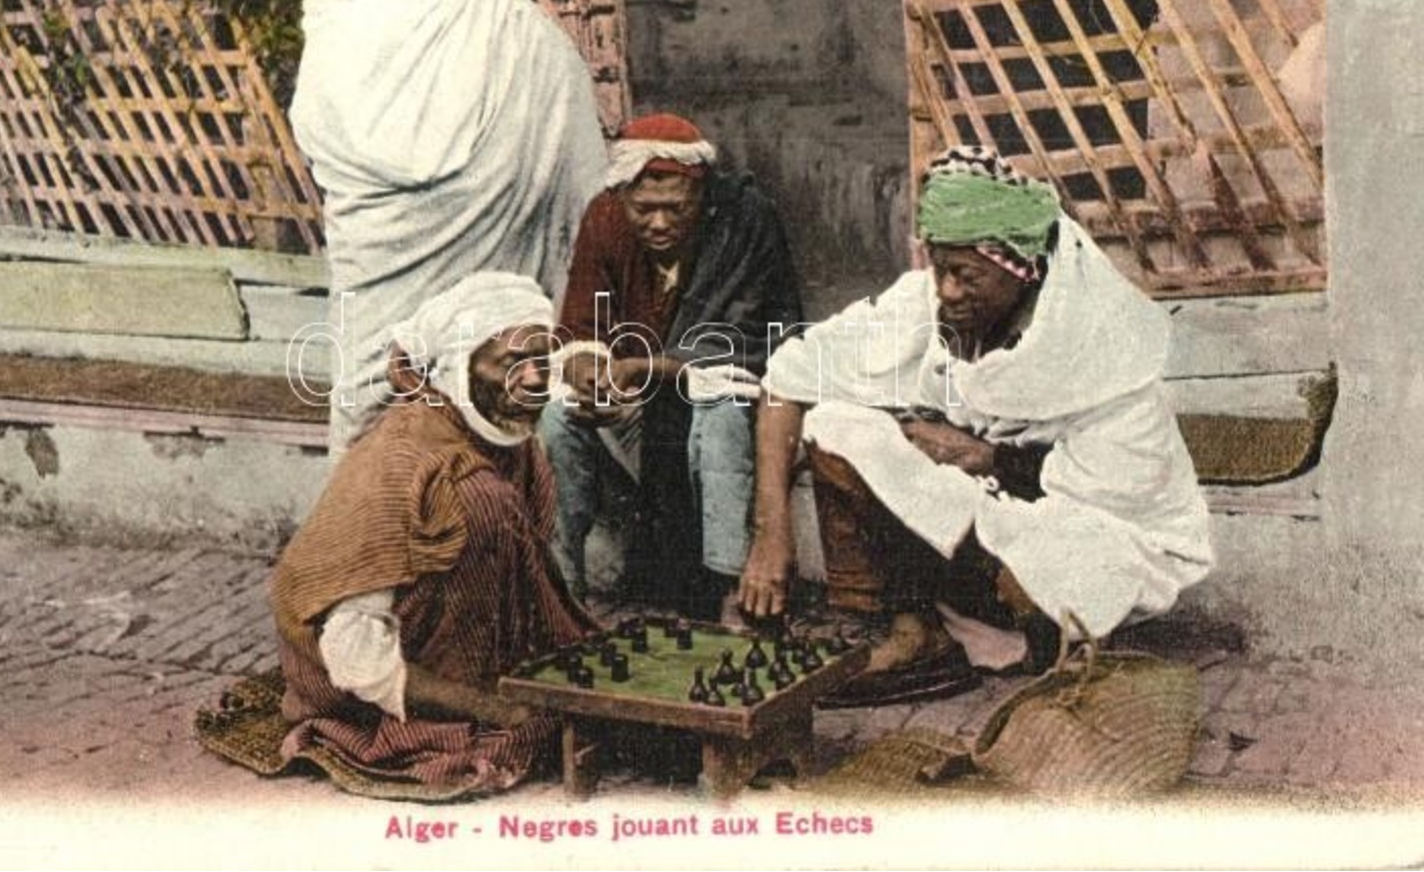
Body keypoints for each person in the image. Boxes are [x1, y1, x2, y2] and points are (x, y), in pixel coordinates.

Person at [737, 145, 1214, 698]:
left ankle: (1015, 637)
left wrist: (987, 456)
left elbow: (1120, 491)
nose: (947, 291)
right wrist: (771, 534)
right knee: (840, 423)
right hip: (979, 515)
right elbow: (787, 377)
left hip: (1087, 526)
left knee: (1062, 569)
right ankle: (898, 627)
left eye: (965, 275)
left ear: (1021, 268)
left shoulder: (1099, 338)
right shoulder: (927, 306)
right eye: (938, 268)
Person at [287, 0, 607, 451]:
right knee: (370, 398)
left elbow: (555, 86)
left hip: (490, 251)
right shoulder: (350, 0)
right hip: (382, 253)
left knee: (481, 395)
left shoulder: (505, 15)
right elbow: (324, 121)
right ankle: (365, 538)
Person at [269, 272, 596, 798]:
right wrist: (493, 708)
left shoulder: (513, 447)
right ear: (457, 371)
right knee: (478, 499)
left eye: (543, 361)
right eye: (512, 363)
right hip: (350, 681)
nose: (536, 380)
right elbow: (351, 654)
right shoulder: (401, 466)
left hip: (458, 649)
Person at [543, 113, 803, 620]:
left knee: (722, 413)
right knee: (557, 418)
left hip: (733, 397)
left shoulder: (743, 220)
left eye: (674, 208)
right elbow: (578, 328)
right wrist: (589, 373)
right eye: (644, 209)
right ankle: (562, 590)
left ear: (700, 194)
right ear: (622, 199)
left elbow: (757, 343)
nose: (659, 224)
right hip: (640, 400)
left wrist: (647, 366)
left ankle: (732, 590)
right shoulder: (604, 217)